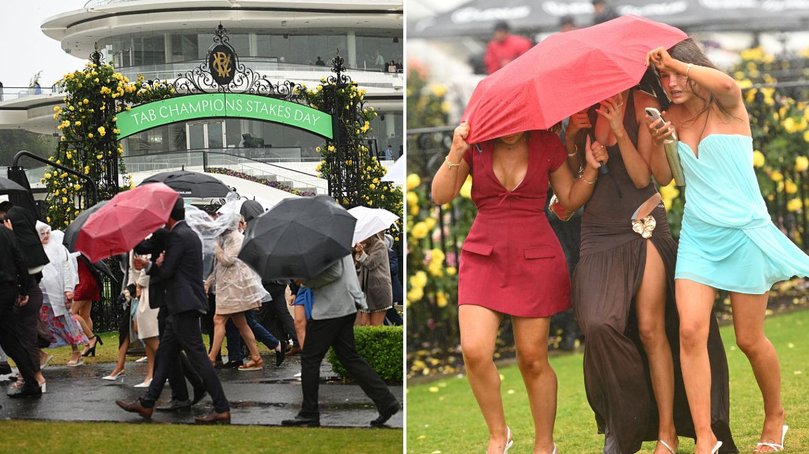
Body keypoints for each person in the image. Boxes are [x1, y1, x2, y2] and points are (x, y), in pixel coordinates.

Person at [646, 39, 809, 454]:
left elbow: (729, 84)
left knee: (749, 339)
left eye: (676, 73)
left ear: (693, 66)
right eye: (662, 76)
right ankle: (705, 436)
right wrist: (661, 140)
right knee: (689, 331)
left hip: (744, 233)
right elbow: (665, 178)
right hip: (699, 236)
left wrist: (675, 61)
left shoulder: (727, 105)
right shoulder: (667, 116)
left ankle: (775, 417)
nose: (670, 83)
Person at [569, 84, 734, 453]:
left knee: (650, 329)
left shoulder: (644, 103)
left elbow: (644, 178)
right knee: (598, 325)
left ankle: (666, 431)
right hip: (597, 232)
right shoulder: (580, 109)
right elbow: (570, 182)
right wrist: (571, 137)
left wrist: (619, 128)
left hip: (641, 223)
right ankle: (624, 422)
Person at [431, 122, 608, 453]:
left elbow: (569, 200)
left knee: (532, 359)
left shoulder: (546, 144)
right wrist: (456, 150)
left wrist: (591, 169)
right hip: (483, 256)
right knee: (474, 350)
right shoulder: (475, 145)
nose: (511, 127)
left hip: (535, 259)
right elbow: (440, 195)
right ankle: (499, 434)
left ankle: (545, 445)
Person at [117, 198, 230, 423]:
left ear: (167, 215)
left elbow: (167, 272)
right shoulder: (187, 234)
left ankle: (222, 407)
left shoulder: (178, 236)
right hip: (181, 305)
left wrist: (149, 265)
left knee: (199, 359)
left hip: (183, 305)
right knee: (165, 355)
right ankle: (147, 403)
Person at [281, 255, 400, 428]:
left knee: (310, 359)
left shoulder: (325, 244)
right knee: (349, 358)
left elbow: (334, 272)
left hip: (330, 309)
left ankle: (309, 412)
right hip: (344, 305)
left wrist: (306, 281)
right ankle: (386, 401)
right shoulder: (335, 241)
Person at [205, 216, 281, 371]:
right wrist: (209, 282)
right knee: (241, 323)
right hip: (228, 288)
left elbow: (227, 260)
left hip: (234, 289)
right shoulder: (225, 240)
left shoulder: (238, 239)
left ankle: (211, 359)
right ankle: (256, 357)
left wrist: (216, 247)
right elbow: (218, 266)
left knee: (219, 320)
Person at [3, 207, 49, 398]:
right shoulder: (13, 236)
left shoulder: (11, 237)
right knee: (17, 339)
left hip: (17, 293)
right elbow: (24, 264)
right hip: (18, 292)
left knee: (19, 338)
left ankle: (34, 379)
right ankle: (31, 378)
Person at [36, 222, 88, 375]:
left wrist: (68, 289)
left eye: (47, 232)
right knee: (41, 324)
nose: (46, 236)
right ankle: (41, 353)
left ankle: (75, 350)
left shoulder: (58, 248)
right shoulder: (35, 249)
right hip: (42, 294)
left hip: (58, 293)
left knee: (66, 322)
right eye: (42, 233)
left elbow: (67, 268)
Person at [0, 213, 35, 397]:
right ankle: (31, 382)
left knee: (10, 340)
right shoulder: (7, 233)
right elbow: (20, 259)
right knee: (10, 340)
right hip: (8, 288)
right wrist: (24, 289)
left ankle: (31, 382)